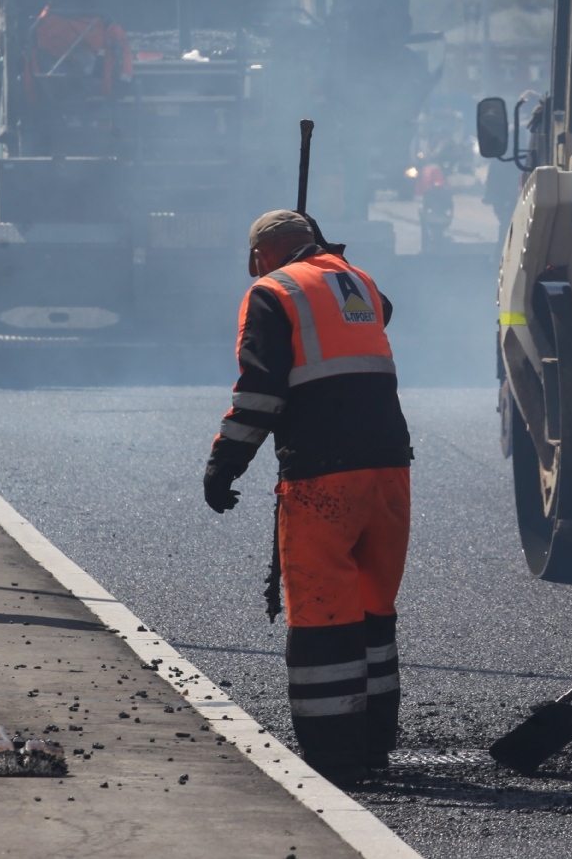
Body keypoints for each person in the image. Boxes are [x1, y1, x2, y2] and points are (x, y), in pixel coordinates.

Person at [201, 210, 413, 787]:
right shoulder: (359, 281)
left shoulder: (270, 293)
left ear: (260, 256)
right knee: (373, 607)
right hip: (391, 468)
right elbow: (376, 313)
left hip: (324, 475)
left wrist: (225, 464)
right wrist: (324, 255)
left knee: (324, 612)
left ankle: (335, 754)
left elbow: (260, 393)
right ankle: (373, 745)